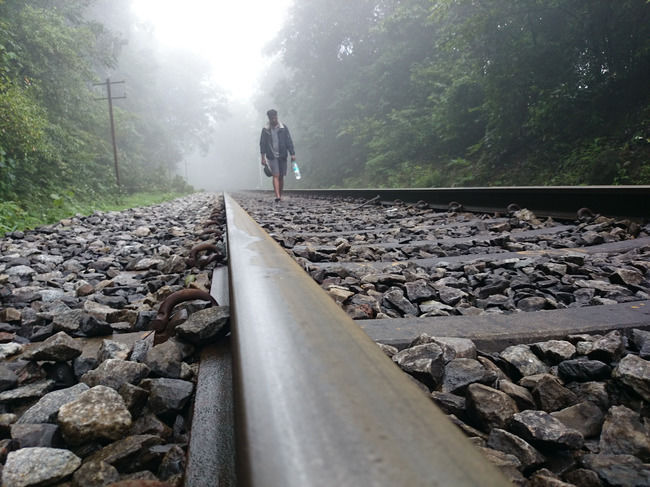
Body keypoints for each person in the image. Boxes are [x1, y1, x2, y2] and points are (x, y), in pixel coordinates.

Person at [259, 109, 296, 202]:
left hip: (282, 154)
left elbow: (289, 141)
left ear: (277, 116)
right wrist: (262, 157)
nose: (274, 120)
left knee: (281, 176)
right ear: (269, 118)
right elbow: (262, 143)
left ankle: (280, 193)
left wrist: (292, 153)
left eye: (275, 117)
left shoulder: (283, 128)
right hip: (271, 155)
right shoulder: (265, 130)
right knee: (276, 175)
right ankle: (278, 196)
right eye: (272, 118)